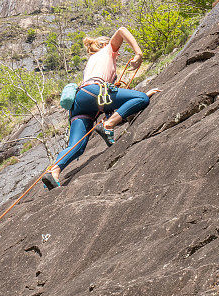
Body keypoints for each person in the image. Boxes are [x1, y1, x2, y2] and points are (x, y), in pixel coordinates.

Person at [42, 27, 160, 189]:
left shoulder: (93, 62)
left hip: (80, 102)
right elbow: (121, 30)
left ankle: (54, 171)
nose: (118, 52)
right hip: (95, 93)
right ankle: (108, 126)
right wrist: (138, 54)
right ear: (104, 44)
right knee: (141, 98)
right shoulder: (107, 51)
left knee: (77, 146)